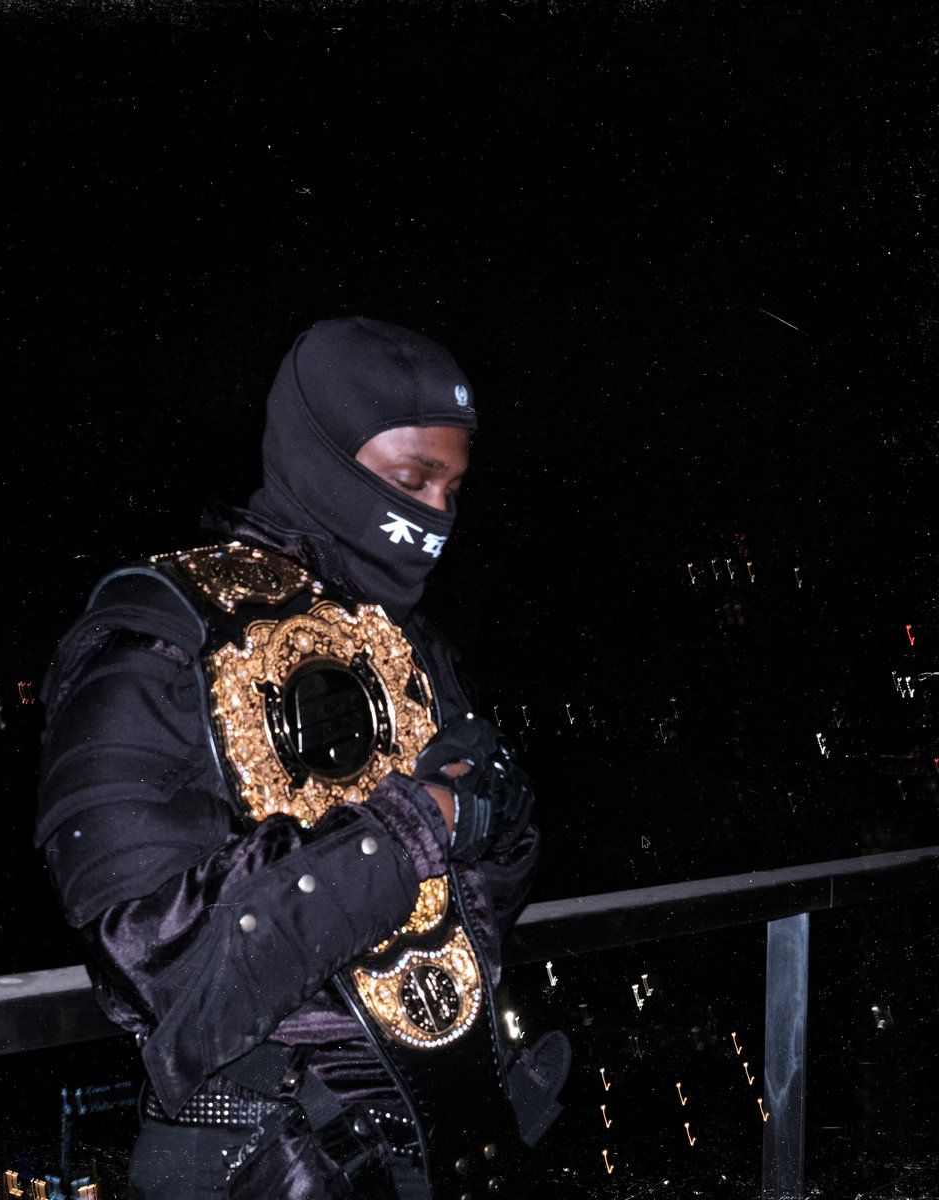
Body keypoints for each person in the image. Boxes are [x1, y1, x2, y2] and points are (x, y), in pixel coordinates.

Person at [35, 317, 570, 1200]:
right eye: (412, 481)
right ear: (324, 458)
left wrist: (493, 820)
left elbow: (471, 909)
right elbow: (154, 959)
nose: (437, 516)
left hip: (457, 1148)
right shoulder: (159, 637)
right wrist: (419, 825)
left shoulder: (407, 638)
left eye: (454, 488)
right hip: (280, 1168)